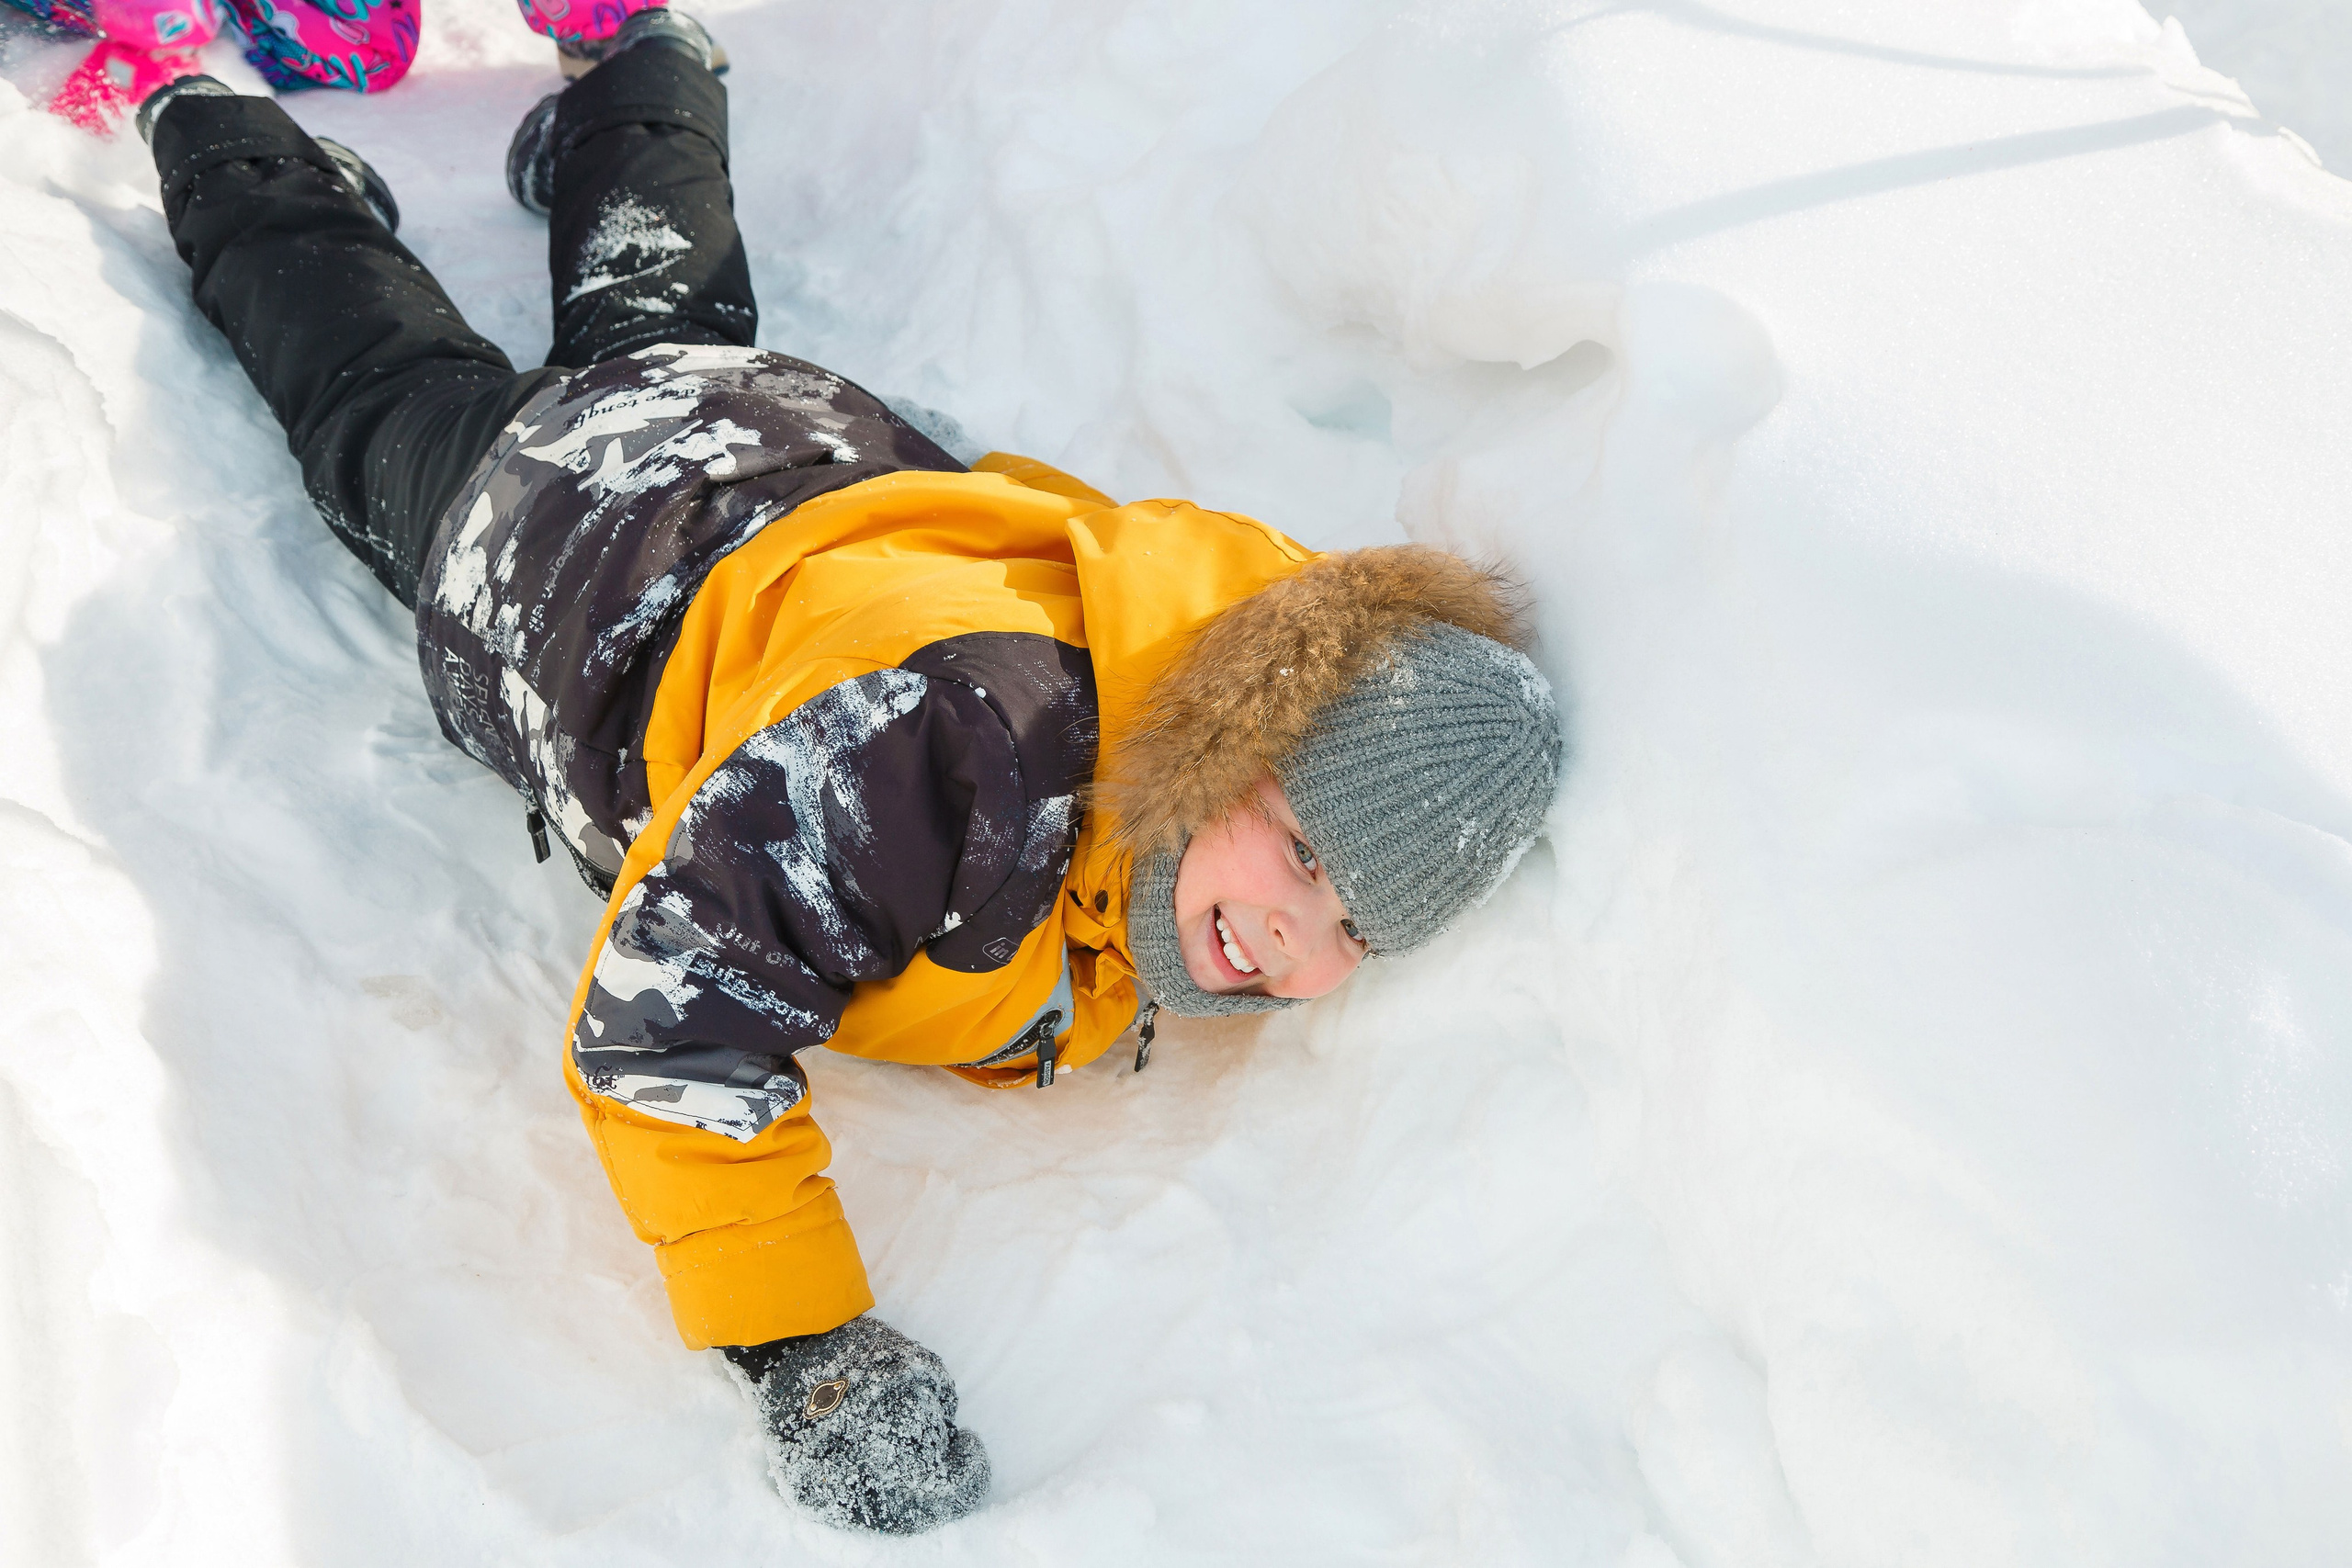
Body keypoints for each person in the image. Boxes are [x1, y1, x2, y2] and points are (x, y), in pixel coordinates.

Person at [136, 10, 1564, 1535]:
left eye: (1357, 930)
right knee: (375, 393)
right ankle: (227, 148)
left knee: (658, 304)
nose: (1302, 939)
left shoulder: (1202, 644)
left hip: (783, 455)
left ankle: (645, 68)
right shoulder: (954, 757)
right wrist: (805, 1347)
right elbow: (666, 1024)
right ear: (1229, 734)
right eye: (1301, 854)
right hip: (575, 547)